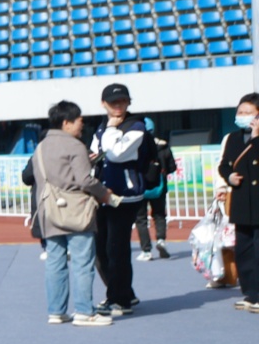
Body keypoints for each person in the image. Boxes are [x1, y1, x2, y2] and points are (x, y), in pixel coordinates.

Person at [33, 100, 118, 327]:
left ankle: (56, 311)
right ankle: (84, 311)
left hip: (49, 210)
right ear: (66, 122)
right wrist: (105, 194)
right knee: (82, 261)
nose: (82, 124)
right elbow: (84, 180)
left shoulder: (41, 147)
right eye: (79, 120)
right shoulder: (75, 146)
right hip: (76, 210)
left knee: (55, 262)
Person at [89, 83, 153, 316]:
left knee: (117, 248)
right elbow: (95, 153)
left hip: (125, 196)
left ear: (128, 102)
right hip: (102, 195)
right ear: (103, 103)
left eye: (123, 101)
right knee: (100, 249)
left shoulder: (136, 126)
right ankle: (122, 292)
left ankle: (121, 299)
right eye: (113, 102)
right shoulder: (100, 128)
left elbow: (115, 154)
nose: (118, 105)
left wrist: (111, 130)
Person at [220, 92, 259, 312]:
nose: (242, 116)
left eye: (248, 112)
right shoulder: (233, 138)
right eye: (240, 112)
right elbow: (224, 165)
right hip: (242, 202)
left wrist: (256, 137)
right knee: (244, 250)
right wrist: (229, 177)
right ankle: (250, 294)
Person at [135, 120, 176, 261]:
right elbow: (172, 167)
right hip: (159, 187)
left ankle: (146, 250)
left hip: (140, 187)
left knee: (141, 219)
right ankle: (161, 240)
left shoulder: (136, 147)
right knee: (159, 215)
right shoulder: (163, 146)